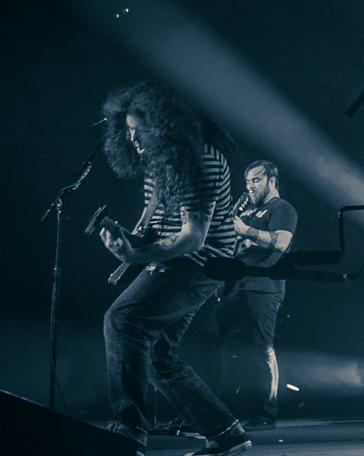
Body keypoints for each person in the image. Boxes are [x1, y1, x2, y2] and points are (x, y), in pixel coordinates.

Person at [99, 82, 251, 456]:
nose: (133, 141)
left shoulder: (204, 160)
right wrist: (128, 243)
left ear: (165, 126)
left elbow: (193, 238)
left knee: (122, 321)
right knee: (157, 355)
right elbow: (153, 223)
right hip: (176, 261)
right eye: (129, 133)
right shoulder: (157, 166)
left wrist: (136, 257)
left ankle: (128, 430)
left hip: (199, 265)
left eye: (140, 132)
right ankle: (226, 433)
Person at [214, 160, 298, 431]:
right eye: (247, 181)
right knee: (220, 347)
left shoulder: (281, 208)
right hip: (232, 286)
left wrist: (246, 230)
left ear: (271, 180)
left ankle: (265, 414)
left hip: (264, 286)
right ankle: (220, 412)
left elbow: (282, 242)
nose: (249, 186)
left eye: (256, 180)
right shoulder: (247, 209)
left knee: (261, 348)